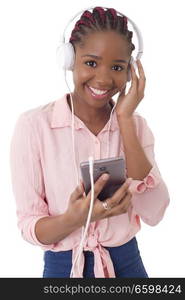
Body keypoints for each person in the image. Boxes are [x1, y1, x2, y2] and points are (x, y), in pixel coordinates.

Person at [9, 6, 170, 278]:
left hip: (127, 264)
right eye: (91, 63)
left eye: (117, 67)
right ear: (69, 59)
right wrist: (73, 218)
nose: (104, 78)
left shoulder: (136, 125)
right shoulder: (34, 127)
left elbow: (155, 213)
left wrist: (125, 120)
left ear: (130, 72)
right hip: (64, 269)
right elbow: (28, 226)